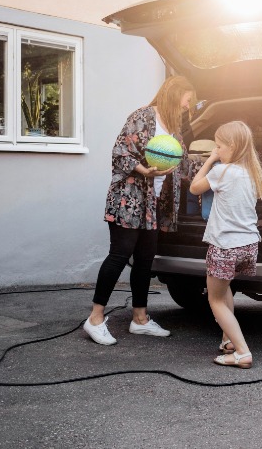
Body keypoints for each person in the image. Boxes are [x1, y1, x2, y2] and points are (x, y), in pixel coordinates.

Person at [83, 76, 195, 346]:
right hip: (128, 199)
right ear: (174, 95)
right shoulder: (143, 116)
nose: (188, 107)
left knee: (145, 260)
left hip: (151, 204)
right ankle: (95, 319)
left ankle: (140, 319)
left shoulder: (174, 131)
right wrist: (145, 170)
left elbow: (182, 163)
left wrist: (218, 161)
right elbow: (120, 152)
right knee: (119, 256)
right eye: (187, 100)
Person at [189, 120, 262, 369]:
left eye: (219, 146)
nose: (217, 150)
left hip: (225, 246)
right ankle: (229, 341)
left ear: (232, 146)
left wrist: (210, 160)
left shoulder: (222, 171)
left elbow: (194, 187)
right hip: (248, 244)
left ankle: (242, 352)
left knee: (215, 299)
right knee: (225, 292)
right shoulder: (252, 173)